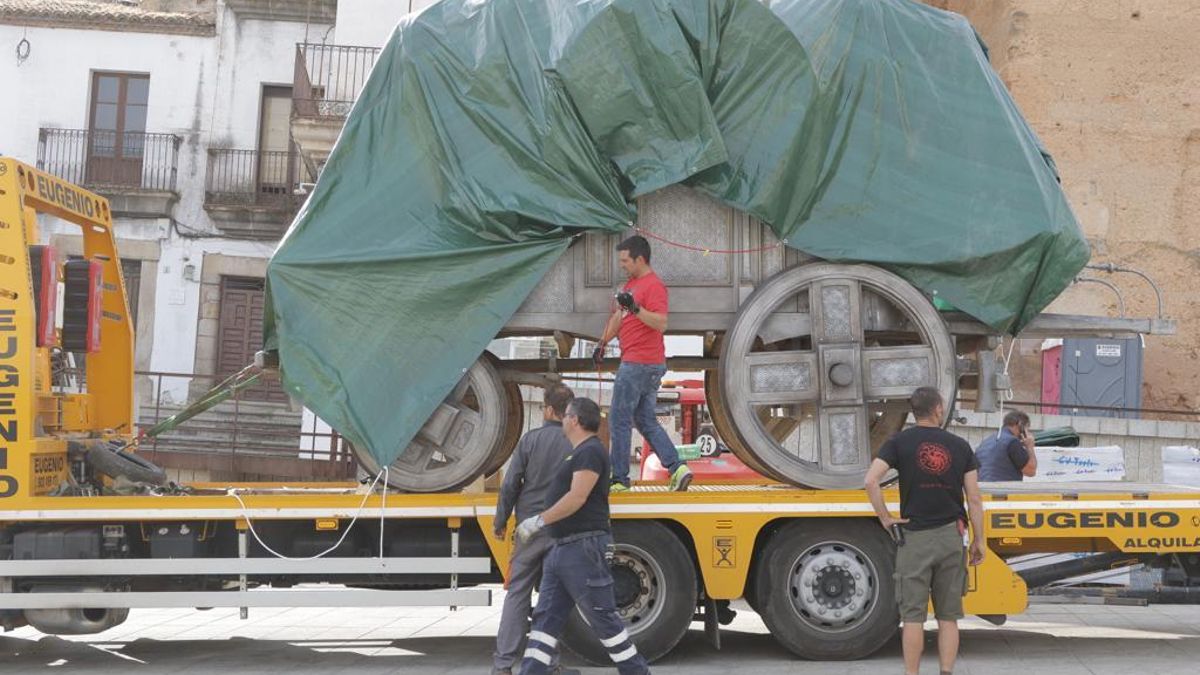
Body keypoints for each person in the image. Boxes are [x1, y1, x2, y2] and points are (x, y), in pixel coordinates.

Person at [513, 397, 650, 675]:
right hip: (564, 549)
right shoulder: (578, 452)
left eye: (565, 416)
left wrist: (538, 521)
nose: (562, 420)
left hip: (582, 548)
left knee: (602, 618)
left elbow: (577, 497)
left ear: (574, 420)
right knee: (546, 619)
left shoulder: (589, 452)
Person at [864, 387, 985, 675]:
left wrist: (885, 518)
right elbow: (975, 498)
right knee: (948, 617)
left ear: (914, 411)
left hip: (913, 539)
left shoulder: (898, 442)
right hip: (950, 537)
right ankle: (945, 672)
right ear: (938, 409)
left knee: (913, 617)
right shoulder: (959, 446)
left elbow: (871, 481)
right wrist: (979, 539)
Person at [592, 235, 691, 492]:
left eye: (625, 260)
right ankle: (677, 468)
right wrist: (602, 343)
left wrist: (635, 308)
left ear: (640, 259)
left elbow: (661, 323)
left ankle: (619, 480)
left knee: (619, 420)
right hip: (647, 364)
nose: (621, 264)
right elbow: (618, 317)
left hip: (638, 363)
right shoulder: (632, 284)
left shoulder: (653, 286)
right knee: (645, 420)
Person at [492, 384, 577, 675]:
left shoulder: (530, 440)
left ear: (550, 410)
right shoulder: (576, 443)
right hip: (562, 530)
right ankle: (549, 665)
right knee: (551, 597)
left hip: (529, 529)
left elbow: (511, 484)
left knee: (517, 593)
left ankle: (503, 665)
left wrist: (500, 520)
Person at [975, 410, 1037, 481]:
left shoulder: (985, 442)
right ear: (1020, 424)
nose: (1027, 432)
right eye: (1027, 428)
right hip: (1003, 489)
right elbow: (1031, 471)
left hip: (983, 488)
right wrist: (1030, 447)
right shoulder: (1012, 442)